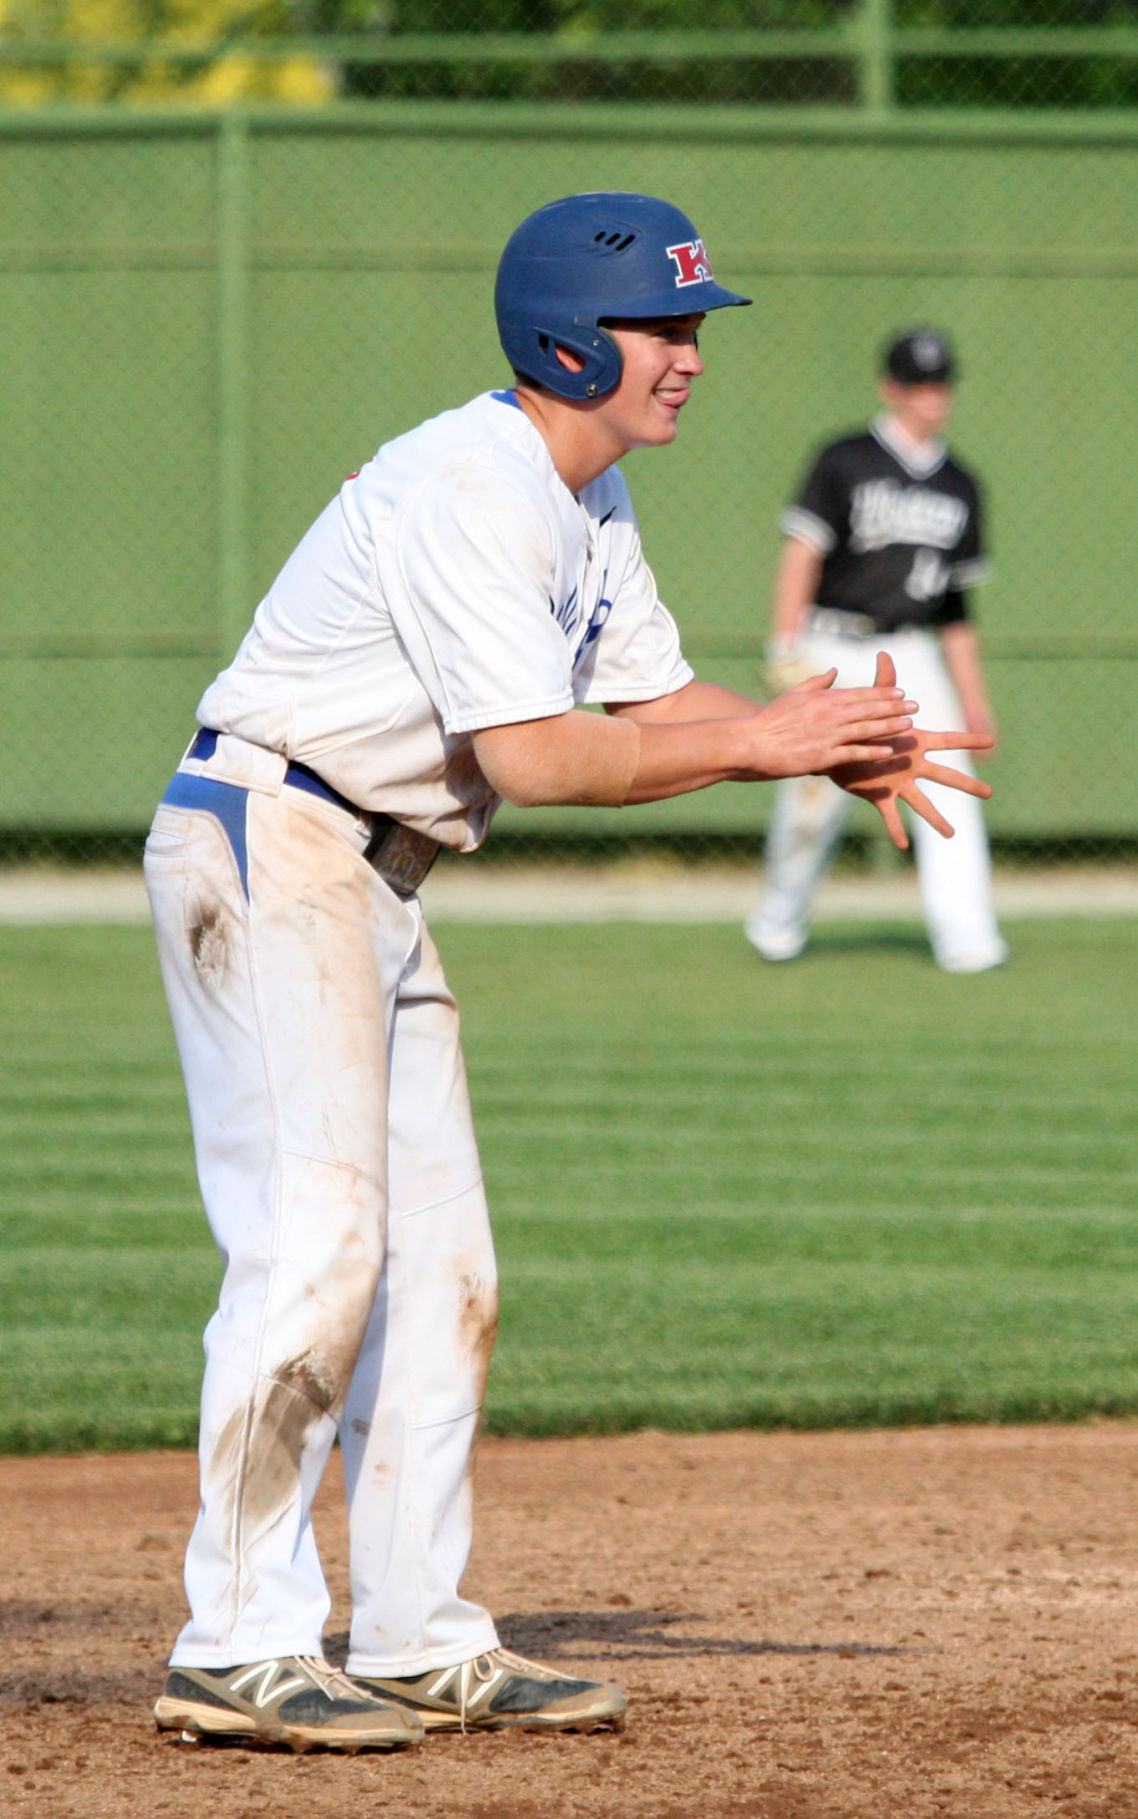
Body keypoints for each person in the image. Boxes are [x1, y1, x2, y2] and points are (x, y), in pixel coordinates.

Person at [143, 196, 993, 1755]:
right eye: (663, 328)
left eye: (692, 325)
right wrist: (774, 736)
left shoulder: (581, 498)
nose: (688, 355)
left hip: (373, 870)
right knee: (318, 1240)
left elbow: (655, 696)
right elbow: (534, 758)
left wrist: (833, 741)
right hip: (273, 841)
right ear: (564, 338)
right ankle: (236, 1637)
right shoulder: (474, 485)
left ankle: (409, 1632)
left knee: (443, 1268)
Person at [744, 329, 1008, 974]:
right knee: (813, 800)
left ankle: (968, 939)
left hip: (913, 651)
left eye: (940, 382)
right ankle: (778, 925)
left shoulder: (961, 484)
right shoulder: (845, 459)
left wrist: (975, 699)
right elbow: (802, 552)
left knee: (950, 782)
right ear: (890, 388)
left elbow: (956, 608)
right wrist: (786, 643)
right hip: (835, 641)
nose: (931, 395)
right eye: (917, 383)